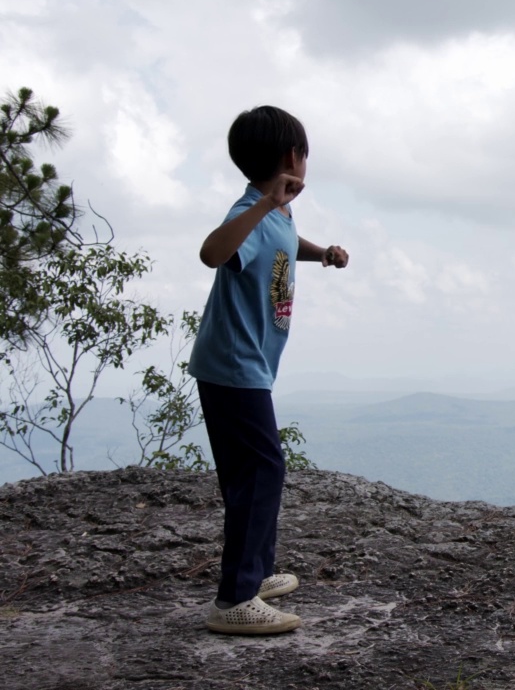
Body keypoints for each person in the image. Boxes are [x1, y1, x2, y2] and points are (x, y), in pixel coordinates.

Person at [188, 105, 349, 634]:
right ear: (291, 157)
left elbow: (278, 244)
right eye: (305, 152)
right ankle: (234, 600)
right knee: (262, 470)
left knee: (250, 471)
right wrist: (262, 204)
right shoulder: (253, 210)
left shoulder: (277, 213)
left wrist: (321, 252)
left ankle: (254, 576)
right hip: (234, 366)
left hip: (244, 365)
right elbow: (214, 252)